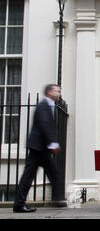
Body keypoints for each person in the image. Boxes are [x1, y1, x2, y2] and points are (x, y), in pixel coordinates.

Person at [13, 84, 65, 213]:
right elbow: (44, 125)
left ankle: (57, 199)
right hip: (39, 148)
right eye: (56, 91)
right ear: (49, 92)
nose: (59, 93)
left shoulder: (49, 106)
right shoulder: (43, 106)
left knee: (53, 174)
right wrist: (52, 143)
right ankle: (19, 204)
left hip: (41, 148)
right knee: (30, 176)